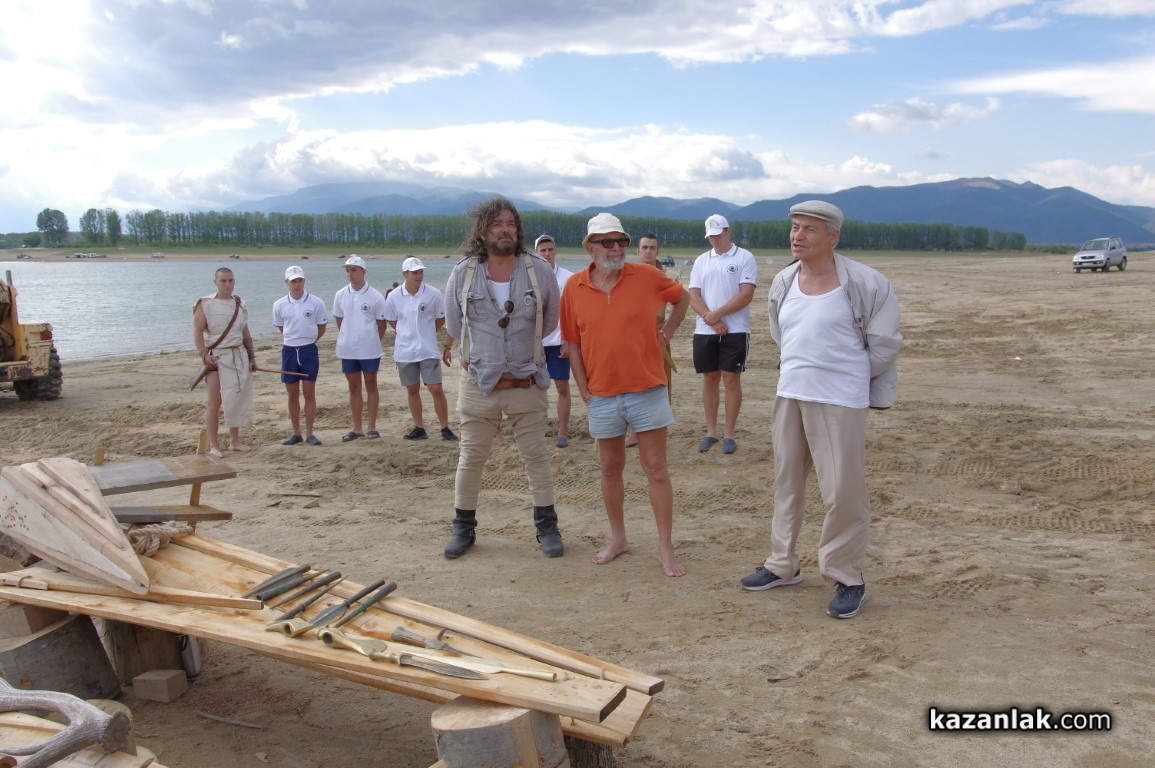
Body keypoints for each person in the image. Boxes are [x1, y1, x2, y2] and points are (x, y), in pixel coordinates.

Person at [739, 201, 901, 620]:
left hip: (840, 400)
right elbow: (782, 334)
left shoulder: (866, 283)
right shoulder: (784, 281)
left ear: (834, 236)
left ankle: (846, 576)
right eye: (795, 227)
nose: (798, 235)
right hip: (790, 392)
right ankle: (782, 564)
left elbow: (884, 346)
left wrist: (845, 376)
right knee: (786, 482)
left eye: (810, 229)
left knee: (843, 491)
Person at [562, 214, 691, 577]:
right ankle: (618, 538)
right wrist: (584, 391)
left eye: (621, 240)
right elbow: (572, 343)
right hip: (601, 395)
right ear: (590, 248)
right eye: (607, 241)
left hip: (648, 390)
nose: (616, 247)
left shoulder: (647, 276)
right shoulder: (573, 287)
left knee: (656, 468)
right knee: (609, 467)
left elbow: (682, 299)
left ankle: (665, 546)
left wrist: (665, 333)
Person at [441, 196, 562, 559]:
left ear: (518, 230)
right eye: (496, 224)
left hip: (526, 381)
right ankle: (463, 528)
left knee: (536, 457)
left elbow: (550, 321)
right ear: (482, 231)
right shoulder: (462, 273)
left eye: (510, 223)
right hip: (478, 384)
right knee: (470, 458)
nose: (505, 229)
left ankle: (547, 527)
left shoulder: (539, 271)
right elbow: (454, 325)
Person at [688, 214, 758, 455]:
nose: (714, 240)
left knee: (730, 379)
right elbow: (694, 296)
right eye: (711, 236)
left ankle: (729, 434)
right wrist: (711, 319)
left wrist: (717, 315)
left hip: (735, 329)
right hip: (705, 330)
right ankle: (711, 432)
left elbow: (745, 295)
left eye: (718, 235)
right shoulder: (701, 260)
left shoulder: (744, 257)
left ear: (728, 231)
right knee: (710, 378)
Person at [383, 257, 457, 441]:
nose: (419, 276)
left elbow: (441, 318)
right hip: (404, 351)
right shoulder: (394, 296)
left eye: (421, 272)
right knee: (412, 388)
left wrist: (428, 333)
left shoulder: (433, 294)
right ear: (405, 274)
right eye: (414, 273)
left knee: (435, 388)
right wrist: (406, 333)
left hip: (428, 349)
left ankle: (445, 427)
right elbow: (392, 320)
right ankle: (419, 427)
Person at [193, 267, 258, 457]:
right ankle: (214, 445)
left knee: (236, 399)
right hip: (217, 358)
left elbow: (245, 334)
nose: (227, 284)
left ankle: (234, 441)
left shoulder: (239, 304)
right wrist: (203, 354)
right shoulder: (205, 304)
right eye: (223, 281)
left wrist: (252, 357)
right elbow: (197, 331)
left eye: (230, 280)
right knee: (214, 402)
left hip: (238, 356)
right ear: (215, 282)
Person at [625, 233, 677, 448]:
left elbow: (679, 303)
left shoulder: (665, 277)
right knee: (633, 383)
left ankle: (656, 428)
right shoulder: (628, 276)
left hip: (658, 334)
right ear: (637, 251)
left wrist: (667, 332)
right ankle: (633, 431)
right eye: (644, 247)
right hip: (634, 337)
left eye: (652, 248)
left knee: (659, 383)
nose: (648, 251)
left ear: (658, 251)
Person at [332, 255, 387, 442]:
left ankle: (372, 426)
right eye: (348, 270)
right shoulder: (340, 295)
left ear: (363, 271)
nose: (350, 273)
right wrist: (349, 337)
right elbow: (340, 320)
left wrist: (371, 340)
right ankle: (357, 428)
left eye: (354, 270)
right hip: (348, 349)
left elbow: (381, 324)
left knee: (371, 385)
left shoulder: (375, 296)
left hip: (369, 349)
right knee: (354, 387)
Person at [272, 265, 328, 446]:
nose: (297, 285)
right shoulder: (279, 304)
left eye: (299, 280)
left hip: (308, 350)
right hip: (289, 350)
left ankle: (310, 432)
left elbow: (321, 327)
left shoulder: (316, 302)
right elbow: (282, 328)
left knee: (309, 392)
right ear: (286, 282)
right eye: (293, 281)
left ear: (304, 281)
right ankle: (296, 433)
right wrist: (293, 340)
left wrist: (309, 340)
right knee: (292, 394)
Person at [534, 234, 574, 447]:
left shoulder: (568, 278)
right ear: (536, 253)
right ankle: (535, 432)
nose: (547, 254)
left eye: (550, 249)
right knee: (534, 389)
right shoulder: (528, 277)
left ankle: (562, 433)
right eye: (543, 250)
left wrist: (568, 340)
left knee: (561, 386)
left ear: (555, 251)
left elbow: (573, 313)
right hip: (535, 343)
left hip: (558, 341)